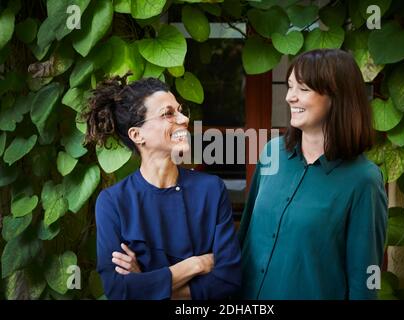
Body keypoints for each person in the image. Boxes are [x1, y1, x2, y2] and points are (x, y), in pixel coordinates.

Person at [237, 49, 388, 300]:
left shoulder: (364, 181)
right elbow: (245, 237)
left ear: (337, 97)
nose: (289, 97)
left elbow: (364, 282)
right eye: (289, 86)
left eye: (303, 89)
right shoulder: (272, 153)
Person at [84, 74, 241, 300]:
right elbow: (118, 290)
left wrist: (146, 284)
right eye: (168, 113)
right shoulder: (113, 203)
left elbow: (229, 280)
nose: (184, 119)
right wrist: (196, 264)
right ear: (137, 135)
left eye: (180, 110)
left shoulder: (211, 190)